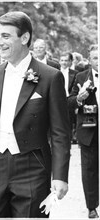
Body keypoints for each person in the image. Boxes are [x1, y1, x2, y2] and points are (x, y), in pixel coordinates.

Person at [0, 11, 71, 217]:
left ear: (24, 38)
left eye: (6, 36)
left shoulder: (51, 77)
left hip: (33, 167)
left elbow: (61, 132)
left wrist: (60, 176)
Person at [68, 44, 99, 218]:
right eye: (96, 58)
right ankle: (92, 206)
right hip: (89, 130)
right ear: (89, 60)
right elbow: (68, 102)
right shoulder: (81, 77)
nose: (99, 61)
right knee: (89, 170)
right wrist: (79, 99)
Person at [59, 52, 79, 144]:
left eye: (66, 60)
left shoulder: (75, 74)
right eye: (62, 60)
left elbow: (75, 89)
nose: (64, 63)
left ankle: (70, 137)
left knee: (69, 120)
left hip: (68, 99)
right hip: (57, 99)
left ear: (70, 62)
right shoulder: (55, 71)